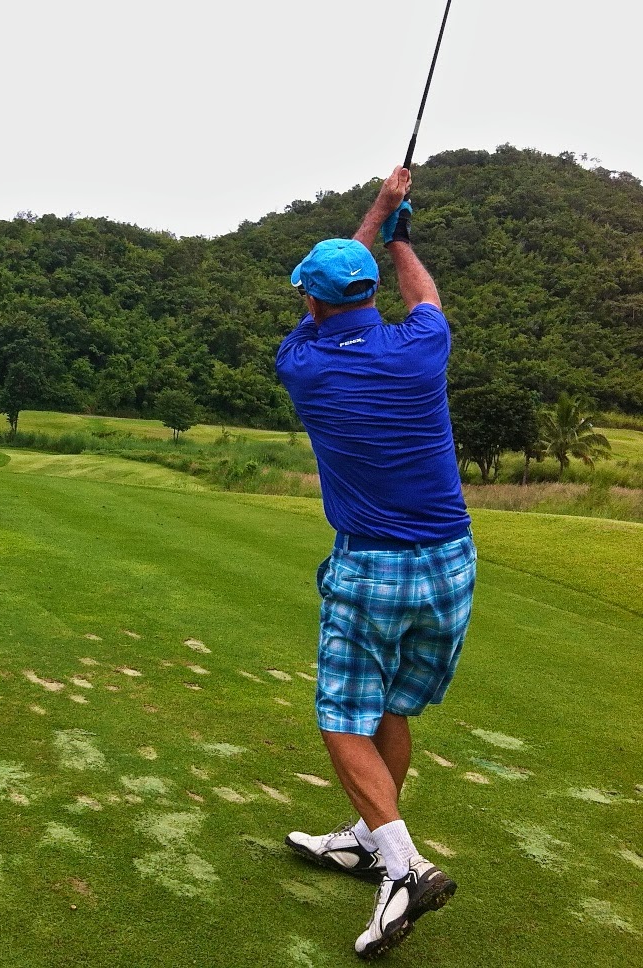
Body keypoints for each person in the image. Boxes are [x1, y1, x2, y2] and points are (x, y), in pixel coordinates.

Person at [274, 166, 477, 960]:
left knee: (341, 718)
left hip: (373, 570)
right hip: (452, 564)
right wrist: (400, 236)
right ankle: (367, 839)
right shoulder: (423, 348)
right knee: (390, 705)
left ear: (314, 301)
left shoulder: (305, 363)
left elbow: (326, 295)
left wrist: (378, 214)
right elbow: (423, 297)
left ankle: (403, 867)